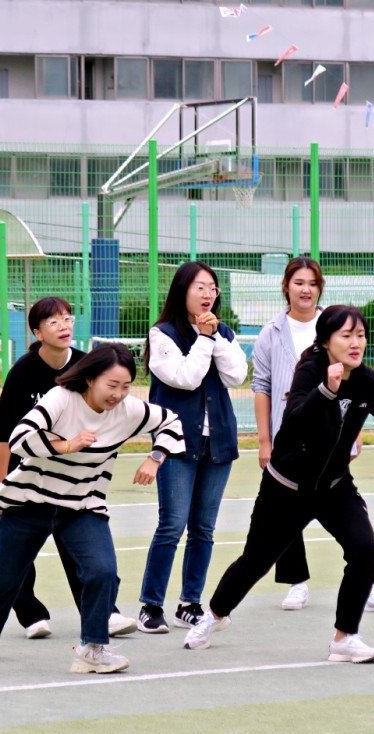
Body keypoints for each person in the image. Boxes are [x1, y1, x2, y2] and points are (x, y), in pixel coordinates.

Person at [0, 343, 184, 673]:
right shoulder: (61, 399)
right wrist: (67, 445)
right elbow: (19, 438)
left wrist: (155, 458)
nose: (118, 394)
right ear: (90, 380)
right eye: (112, 385)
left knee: (103, 571)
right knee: (4, 575)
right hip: (30, 499)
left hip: (82, 504)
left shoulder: (129, 410)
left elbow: (171, 422)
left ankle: (93, 648)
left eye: (126, 386)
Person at [184, 306, 374, 663]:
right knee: (255, 561)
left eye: (360, 335)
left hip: (334, 486)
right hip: (286, 487)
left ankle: (344, 638)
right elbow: (294, 421)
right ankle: (213, 616)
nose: (355, 343)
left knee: (364, 551)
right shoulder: (310, 371)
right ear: (326, 341)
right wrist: (327, 391)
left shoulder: (369, 381)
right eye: (346, 336)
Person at [251, 257, 374, 614]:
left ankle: (369, 584)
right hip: (289, 435)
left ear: (320, 288)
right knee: (289, 507)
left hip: (334, 437)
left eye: (312, 283)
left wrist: (356, 429)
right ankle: (296, 582)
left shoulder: (337, 322)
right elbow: (262, 386)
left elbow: (361, 393)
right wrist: (264, 440)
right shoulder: (272, 332)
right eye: (298, 282)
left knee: (345, 510)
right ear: (286, 286)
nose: (305, 289)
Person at [0, 297, 137, 640]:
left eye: (68, 318)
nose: (64, 326)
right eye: (53, 322)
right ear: (37, 332)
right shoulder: (23, 372)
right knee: (15, 552)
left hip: (72, 473)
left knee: (80, 545)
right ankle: (30, 614)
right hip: (25, 472)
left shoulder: (87, 366)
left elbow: (108, 417)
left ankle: (104, 613)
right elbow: (5, 434)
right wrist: (0, 483)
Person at [136, 262, 248, 633]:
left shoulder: (222, 331)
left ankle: (190, 602)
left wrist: (214, 337)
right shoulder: (162, 334)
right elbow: (185, 378)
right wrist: (204, 339)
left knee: (203, 528)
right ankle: (151, 605)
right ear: (182, 290)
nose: (207, 294)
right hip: (176, 443)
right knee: (171, 525)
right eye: (199, 287)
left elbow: (236, 375)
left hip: (218, 442)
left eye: (212, 288)